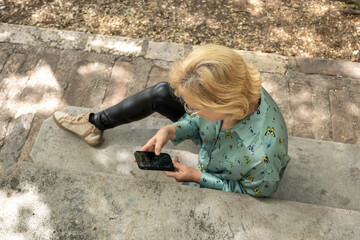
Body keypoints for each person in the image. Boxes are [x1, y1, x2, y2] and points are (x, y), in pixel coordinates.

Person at [53, 44, 290, 197]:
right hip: (216, 145)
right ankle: (94, 124)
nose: (187, 110)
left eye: (194, 107)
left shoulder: (261, 160)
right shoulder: (237, 90)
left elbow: (253, 193)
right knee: (162, 92)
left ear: (223, 105)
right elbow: (199, 120)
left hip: (228, 167)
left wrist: (197, 177)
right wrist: (171, 130)